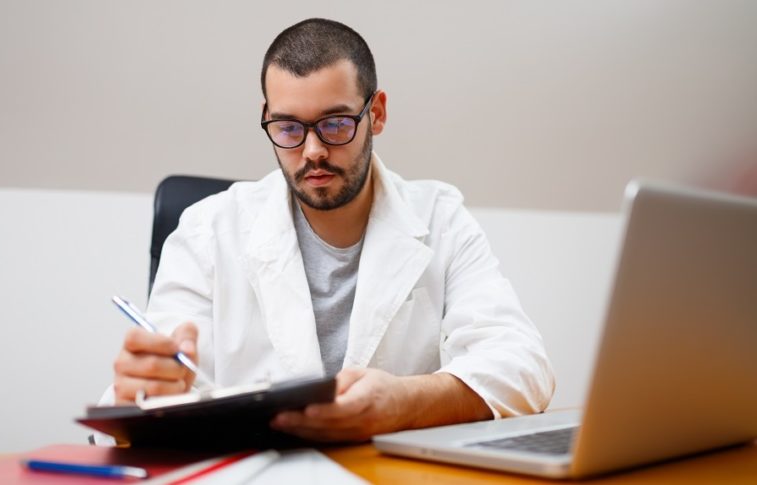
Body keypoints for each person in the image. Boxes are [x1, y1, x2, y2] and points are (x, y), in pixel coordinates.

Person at [111, 18, 554, 442]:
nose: (313, 151)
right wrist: (145, 392)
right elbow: (146, 395)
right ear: (267, 117)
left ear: (376, 114)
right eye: (288, 128)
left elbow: (523, 366)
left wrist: (403, 402)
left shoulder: (441, 217)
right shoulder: (207, 230)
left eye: (336, 124)